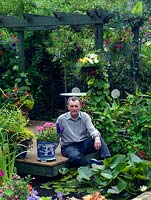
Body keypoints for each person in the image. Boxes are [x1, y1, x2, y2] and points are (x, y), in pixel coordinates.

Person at [56, 96, 111, 167]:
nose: (74, 108)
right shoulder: (61, 119)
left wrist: (96, 137)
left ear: (80, 107)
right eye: (72, 106)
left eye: (76, 106)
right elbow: (56, 134)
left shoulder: (85, 116)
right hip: (68, 146)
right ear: (68, 107)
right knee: (75, 157)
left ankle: (108, 160)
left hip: (83, 144)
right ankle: (92, 165)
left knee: (98, 137)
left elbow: (92, 129)